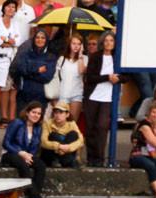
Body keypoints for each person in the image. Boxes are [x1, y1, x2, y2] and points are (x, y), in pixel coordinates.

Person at [2, 101, 47, 198]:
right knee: (23, 165)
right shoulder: (17, 123)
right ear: (27, 112)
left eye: (39, 113)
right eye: (33, 112)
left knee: (41, 165)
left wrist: (29, 156)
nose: (36, 115)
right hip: (10, 154)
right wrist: (21, 153)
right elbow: (6, 143)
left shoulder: (38, 128)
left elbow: (35, 147)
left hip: (26, 155)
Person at [82, 30, 118, 166]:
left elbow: (126, 77)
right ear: (103, 43)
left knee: (102, 126)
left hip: (108, 98)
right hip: (93, 96)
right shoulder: (96, 56)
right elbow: (90, 77)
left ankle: (100, 158)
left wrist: (117, 78)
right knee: (90, 127)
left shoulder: (117, 57)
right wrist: (107, 77)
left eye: (111, 40)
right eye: (106, 40)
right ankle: (91, 158)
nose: (109, 43)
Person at [0, 0, 21, 128]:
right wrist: (9, 41)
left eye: (13, 7)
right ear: (3, 9)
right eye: (8, 6)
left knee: (9, 89)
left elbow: (18, 41)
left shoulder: (15, 24)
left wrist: (6, 40)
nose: (10, 9)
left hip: (10, 60)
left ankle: (6, 118)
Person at [13, 27, 54, 111]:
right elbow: (21, 69)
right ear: (34, 39)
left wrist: (29, 74)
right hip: (23, 97)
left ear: (46, 40)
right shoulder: (25, 54)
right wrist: (37, 71)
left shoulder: (50, 57)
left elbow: (47, 77)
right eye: (37, 37)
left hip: (40, 98)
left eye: (43, 38)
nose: (40, 40)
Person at [39, 101, 81, 168]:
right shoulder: (48, 123)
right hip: (50, 156)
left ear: (67, 114)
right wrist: (58, 146)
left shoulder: (72, 124)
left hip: (65, 153)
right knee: (54, 135)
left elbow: (80, 141)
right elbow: (43, 142)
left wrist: (69, 147)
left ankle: (65, 160)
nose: (58, 115)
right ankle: (70, 160)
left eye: (61, 112)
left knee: (73, 134)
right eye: (56, 112)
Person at [57, 33, 86, 123]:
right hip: (63, 94)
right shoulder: (62, 59)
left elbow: (81, 71)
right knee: (61, 122)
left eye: (78, 44)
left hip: (76, 94)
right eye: (74, 43)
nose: (76, 46)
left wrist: (80, 55)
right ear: (69, 44)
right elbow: (57, 77)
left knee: (72, 123)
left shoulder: (85, 58)